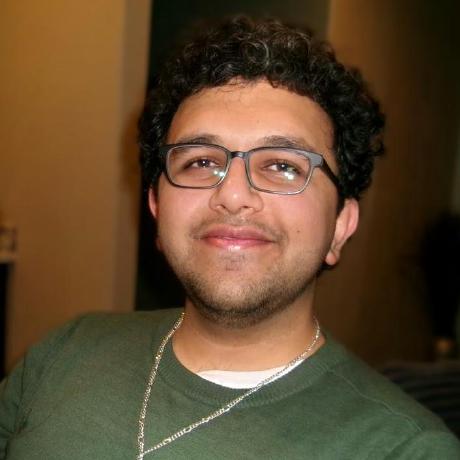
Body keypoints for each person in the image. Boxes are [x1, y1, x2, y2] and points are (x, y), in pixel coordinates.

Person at [1, 16, 459, 460]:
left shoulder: (406, 448)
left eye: (283, 165)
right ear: (157, 207)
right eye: (200, 162)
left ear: (340, 225)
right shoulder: (64, 353)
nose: (233, 195)